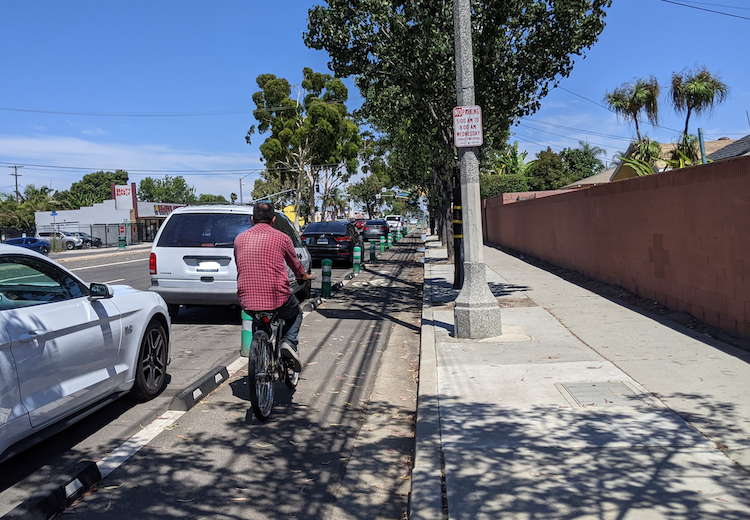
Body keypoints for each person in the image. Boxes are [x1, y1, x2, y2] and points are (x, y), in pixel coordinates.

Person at [234, 202, 313, 372]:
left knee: (258, 319)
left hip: (247, 298)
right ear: (274, 220)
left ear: (252, 219)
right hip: (277, 297)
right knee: (296, 313)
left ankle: (261, 346)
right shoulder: (282, 238)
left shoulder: (239, 239)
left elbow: (239, 266)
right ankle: (288, 342)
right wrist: (304, 277)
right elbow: (296, 266)